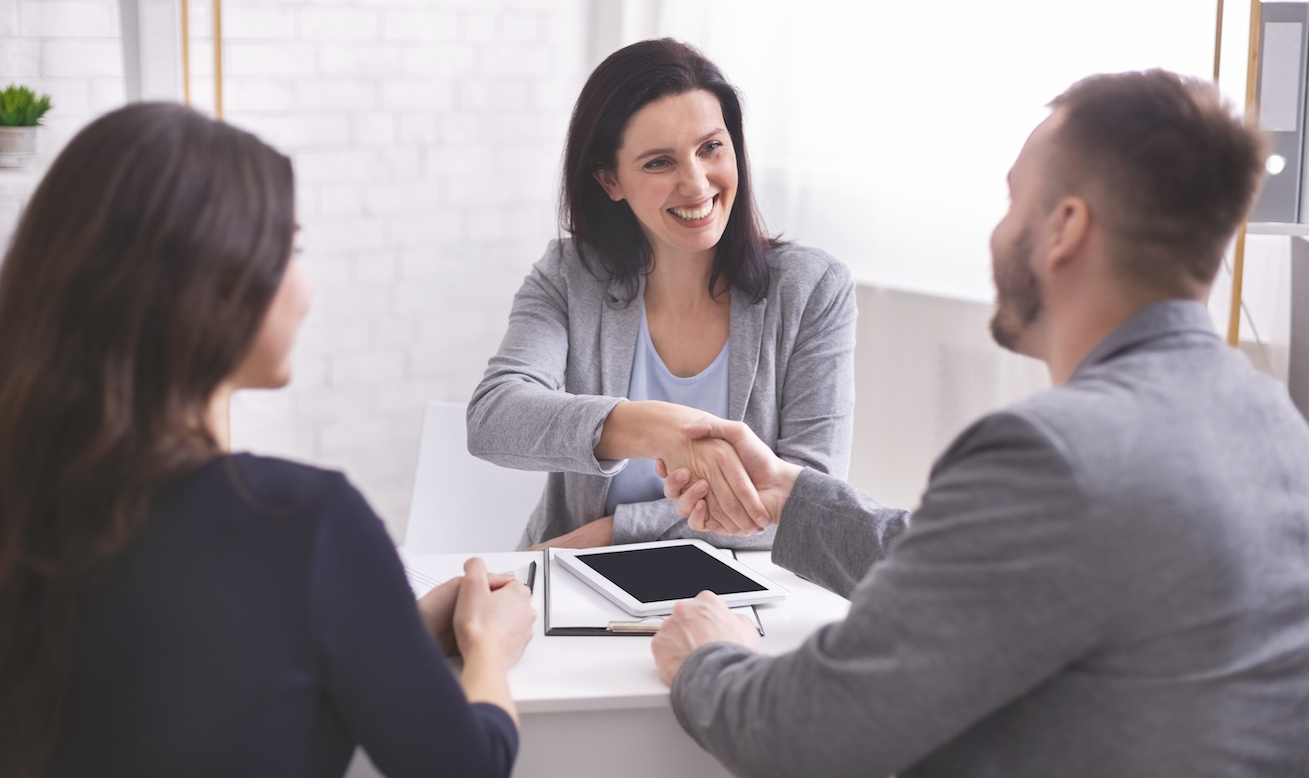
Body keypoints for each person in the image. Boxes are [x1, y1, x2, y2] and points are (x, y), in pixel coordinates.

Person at [651, 70, 1309, 777]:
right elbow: (988, 575)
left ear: (1064, 229)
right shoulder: (1270, 421)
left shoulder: (1053, 453)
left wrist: (707, 658)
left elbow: (807, 733)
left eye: (1011, 199)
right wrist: (793, 499)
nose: (998, 229)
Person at [0, 103, 535, 778]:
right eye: (292, 250)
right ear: (213, 286)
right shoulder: (301, 524)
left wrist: (391, 625)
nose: (305, 288)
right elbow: (466, 768)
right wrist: (488, 648)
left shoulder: (30, 504)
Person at [467, 38, 857, 550]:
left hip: (729, 596)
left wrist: (615, 534)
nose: (696, 185)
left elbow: (809, 500)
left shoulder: (813, 289)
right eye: (659, 163)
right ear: (610, 180)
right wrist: (657, 429)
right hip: (571, 589)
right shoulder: (569, 274)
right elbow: (493, 418)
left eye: (711, 147)